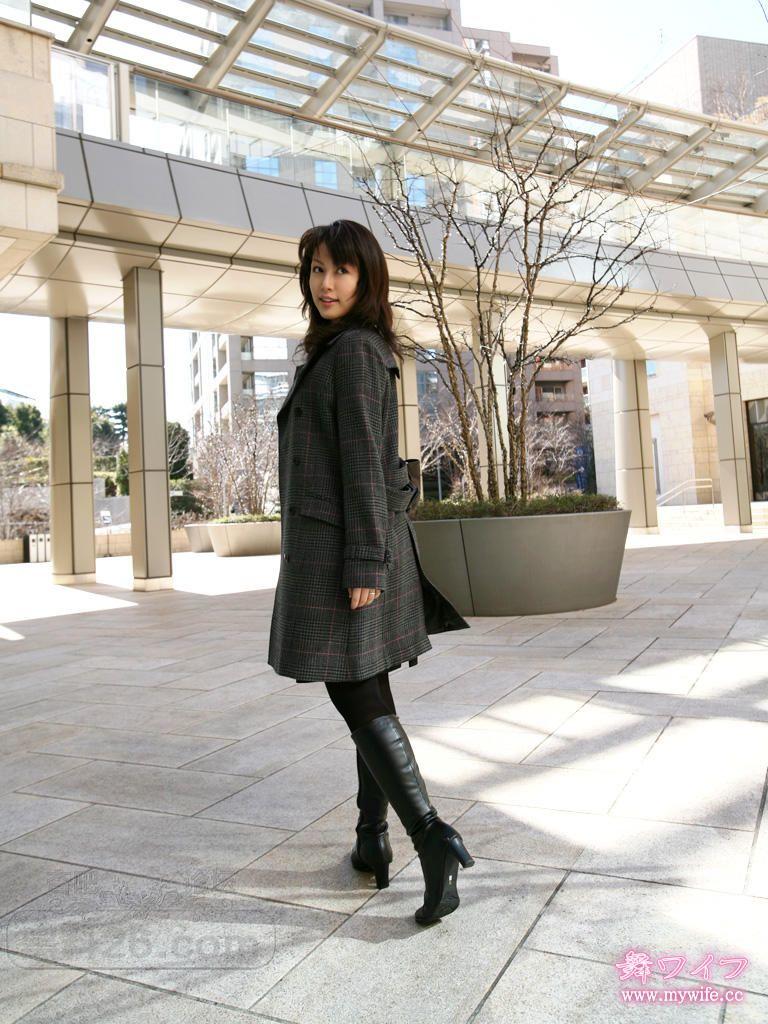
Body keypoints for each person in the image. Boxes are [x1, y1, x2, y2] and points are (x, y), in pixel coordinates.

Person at [267, 219, 474, 925]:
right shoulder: (340, 349)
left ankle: (432, 838)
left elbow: (363, 461)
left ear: (367, 279)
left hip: (344, 555)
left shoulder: (354, 352)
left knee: (355, 692)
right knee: (370, 691)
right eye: (317, 270)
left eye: (342, 271)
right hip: (347, 546)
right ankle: (370, 839)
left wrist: (363, 563)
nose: (326, 284)